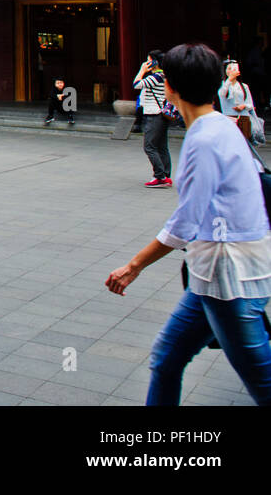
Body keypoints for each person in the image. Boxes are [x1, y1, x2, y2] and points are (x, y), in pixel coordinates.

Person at [106, 42, 271, 406]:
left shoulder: (204, 139)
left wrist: (132, 266)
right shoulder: (221, 128)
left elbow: (186, 223)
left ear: (171, 87)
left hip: (230, 280)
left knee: (264, 381)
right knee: (166, 359)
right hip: (213, 277)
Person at [136, 50, 172, 187]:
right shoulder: (163, 76)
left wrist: (141, 70)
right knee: (162, 147)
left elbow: (136, 84)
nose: (146, 63)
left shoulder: (156, 77)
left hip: (154, 114)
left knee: (149, 146)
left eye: (148, 60)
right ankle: (166, 175)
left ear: (154, 62)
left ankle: (160, 176)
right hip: (162, 114)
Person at [218, 59, 255, 142]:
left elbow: (250, 104)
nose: (231, 71)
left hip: (244, 118)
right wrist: (229, 80)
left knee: (244, 145)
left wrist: (244, 106)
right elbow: (222, 94)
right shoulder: (222, 85)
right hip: (229, 118)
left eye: (234, 68)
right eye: (229, 68)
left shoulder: (244, 86)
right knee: (230, 143)